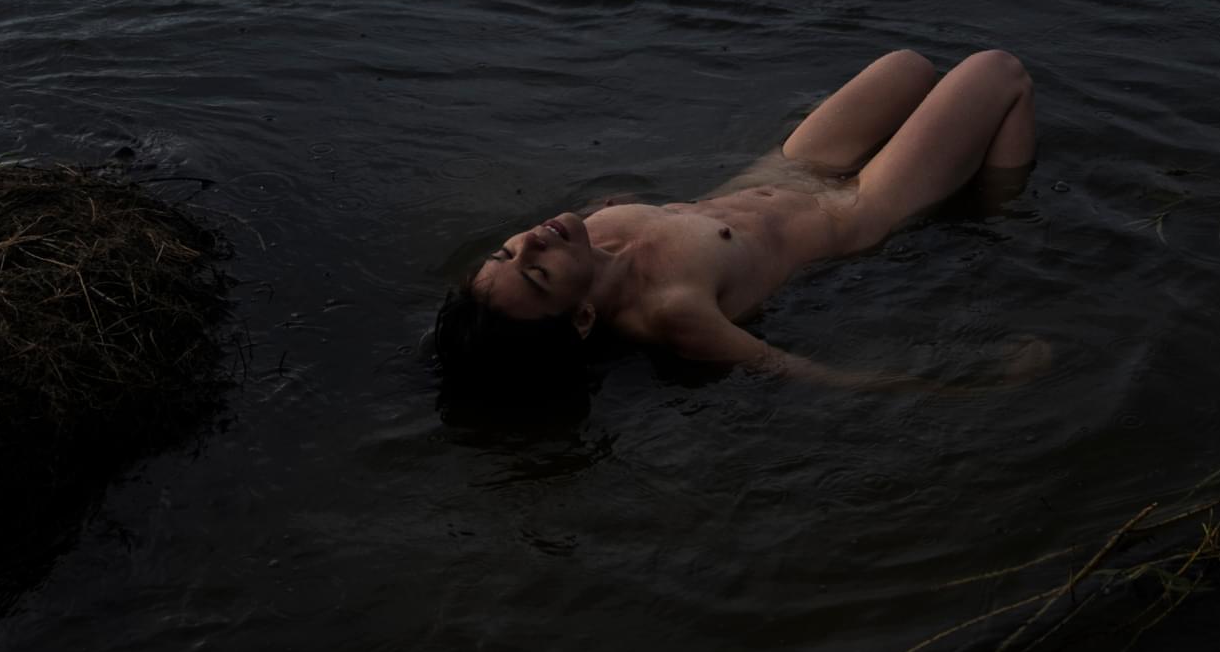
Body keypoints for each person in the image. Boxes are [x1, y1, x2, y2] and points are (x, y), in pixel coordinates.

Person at [433, 49, 1038, 402]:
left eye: (504, 253)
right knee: (1000, 72)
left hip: (790, 169)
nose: (530, 242)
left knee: (909, 68)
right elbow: (805, 373)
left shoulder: (590, 233)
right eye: (536, 273)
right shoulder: (673, 312)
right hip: (857, 210)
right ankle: (999, 218)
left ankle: (970, 174)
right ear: (584, 318)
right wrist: (973, 385)